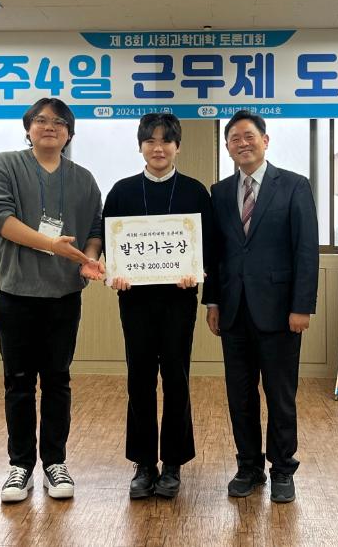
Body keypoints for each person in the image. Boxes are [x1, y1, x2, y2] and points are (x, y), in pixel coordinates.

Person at [0, 97, 106, 504]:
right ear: (28, 128)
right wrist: (52, 245)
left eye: (59, 122)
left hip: (63, 295)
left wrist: (89, 259)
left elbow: (96, 228)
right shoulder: (4, 165)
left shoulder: (83, 179)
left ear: (69, 133)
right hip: (13, 292)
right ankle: (20, 467)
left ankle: (55, 462)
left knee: (57, 380)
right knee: (17, 381)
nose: (50, 126)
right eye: (41, 120)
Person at [202, 110, 319, 504]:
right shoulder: (219, 192)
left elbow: (306, 250)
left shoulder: (294, 185)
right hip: (233, 310)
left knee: (280, 395)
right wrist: (213, 301)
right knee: (240, 395)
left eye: (249, 136)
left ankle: (283, 469)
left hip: (281, 311)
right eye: (234, 138)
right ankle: (249, 467)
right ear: (227, 147)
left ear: (265, 141)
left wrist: (302, 306)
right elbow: (216, 253)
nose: (242, 143)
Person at [102, 113, 213, 500]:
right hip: (135, 301)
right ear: (140, 147)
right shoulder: (121, 191)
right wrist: (114, 274)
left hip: (179, 300)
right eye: (150, 141)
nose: (158, 148)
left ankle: (174, 463)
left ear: (177, 147)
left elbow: (208, 247)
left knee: (177, 379)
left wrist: (195, 272)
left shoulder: (196, 192)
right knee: (140, 378)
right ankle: (144, 463)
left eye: (166, 141)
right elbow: (110, 245)